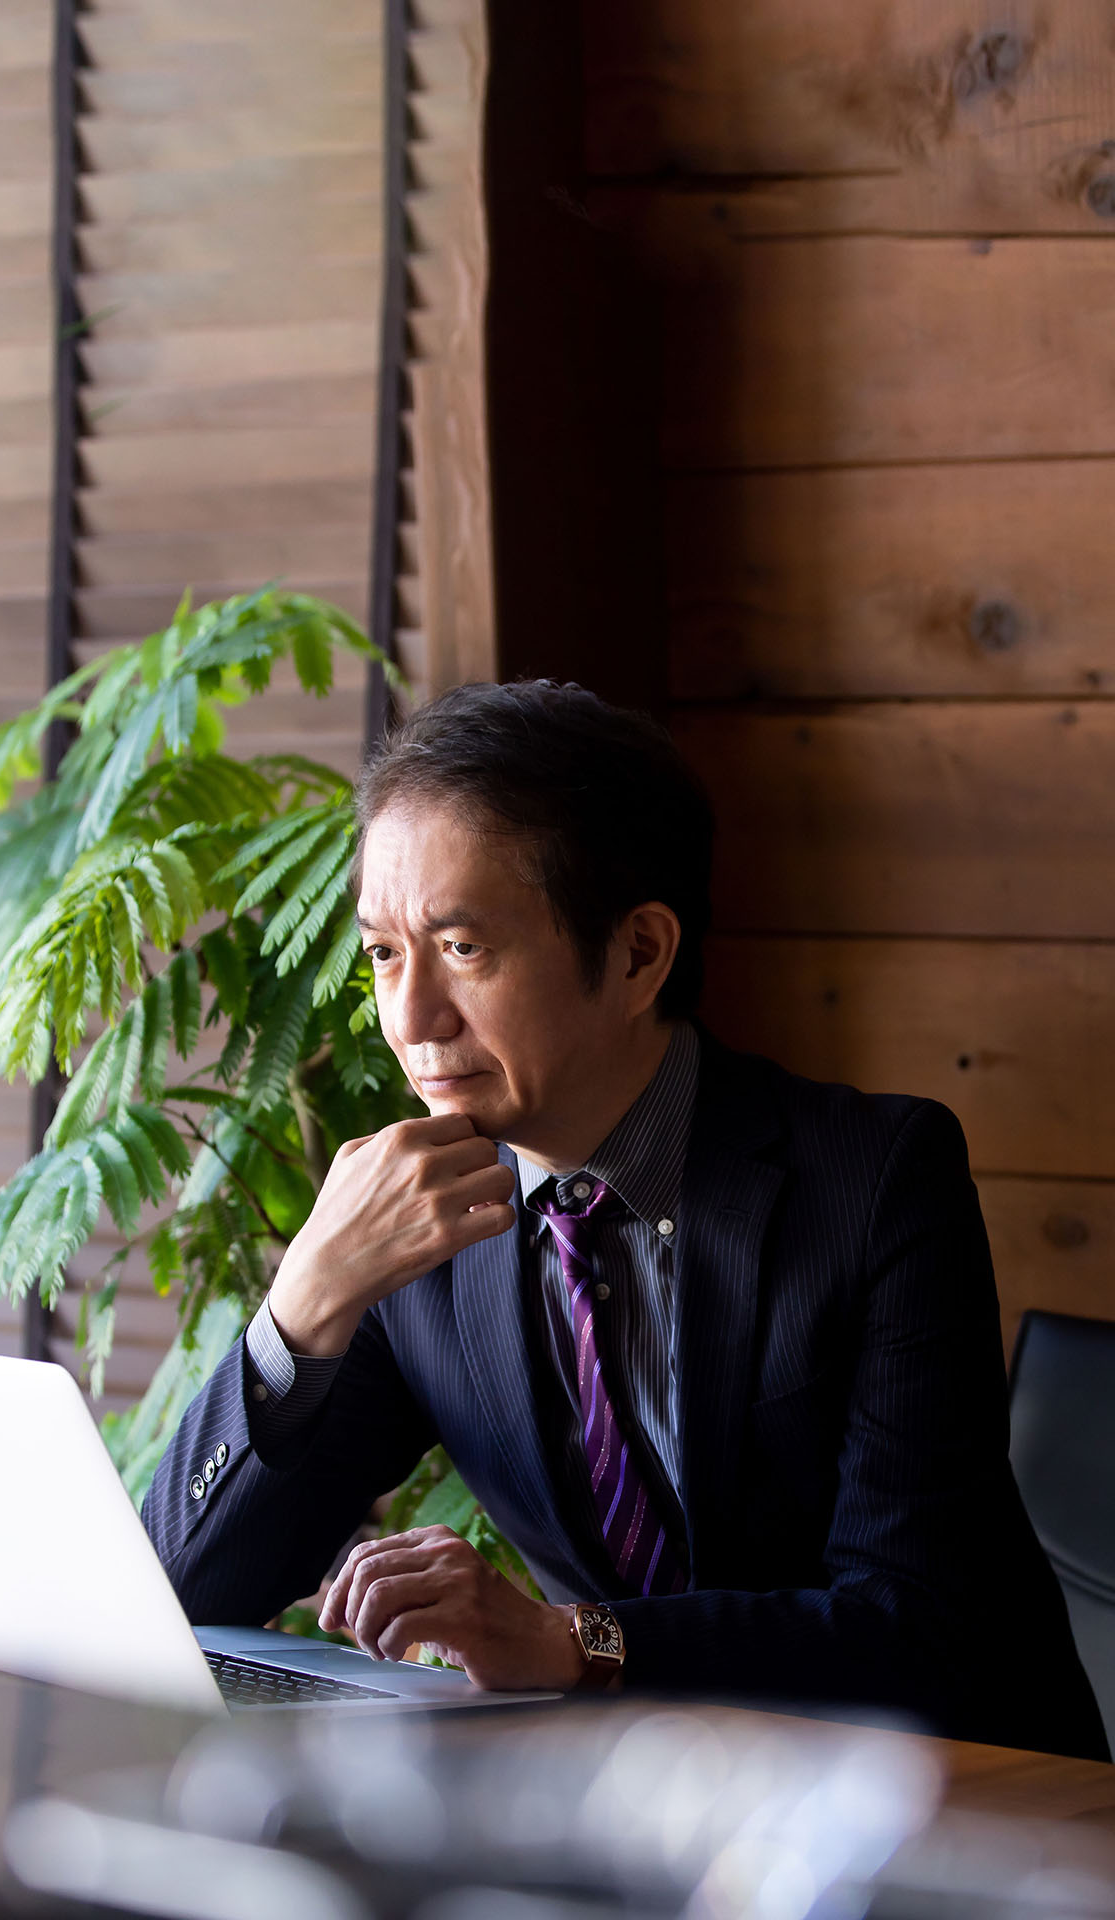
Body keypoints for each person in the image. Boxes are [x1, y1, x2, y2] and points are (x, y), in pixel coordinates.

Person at [142, 680, 1107, 1759]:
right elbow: (177, 1594)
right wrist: (302, 1303)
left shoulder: (875, 1182)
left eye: (462, 948)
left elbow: (912, 1630)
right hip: (630, 1800)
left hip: (965, 1805)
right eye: (382, 953)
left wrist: (570, 1642)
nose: (409, 1019)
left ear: (640, 953)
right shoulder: (411, 1219)